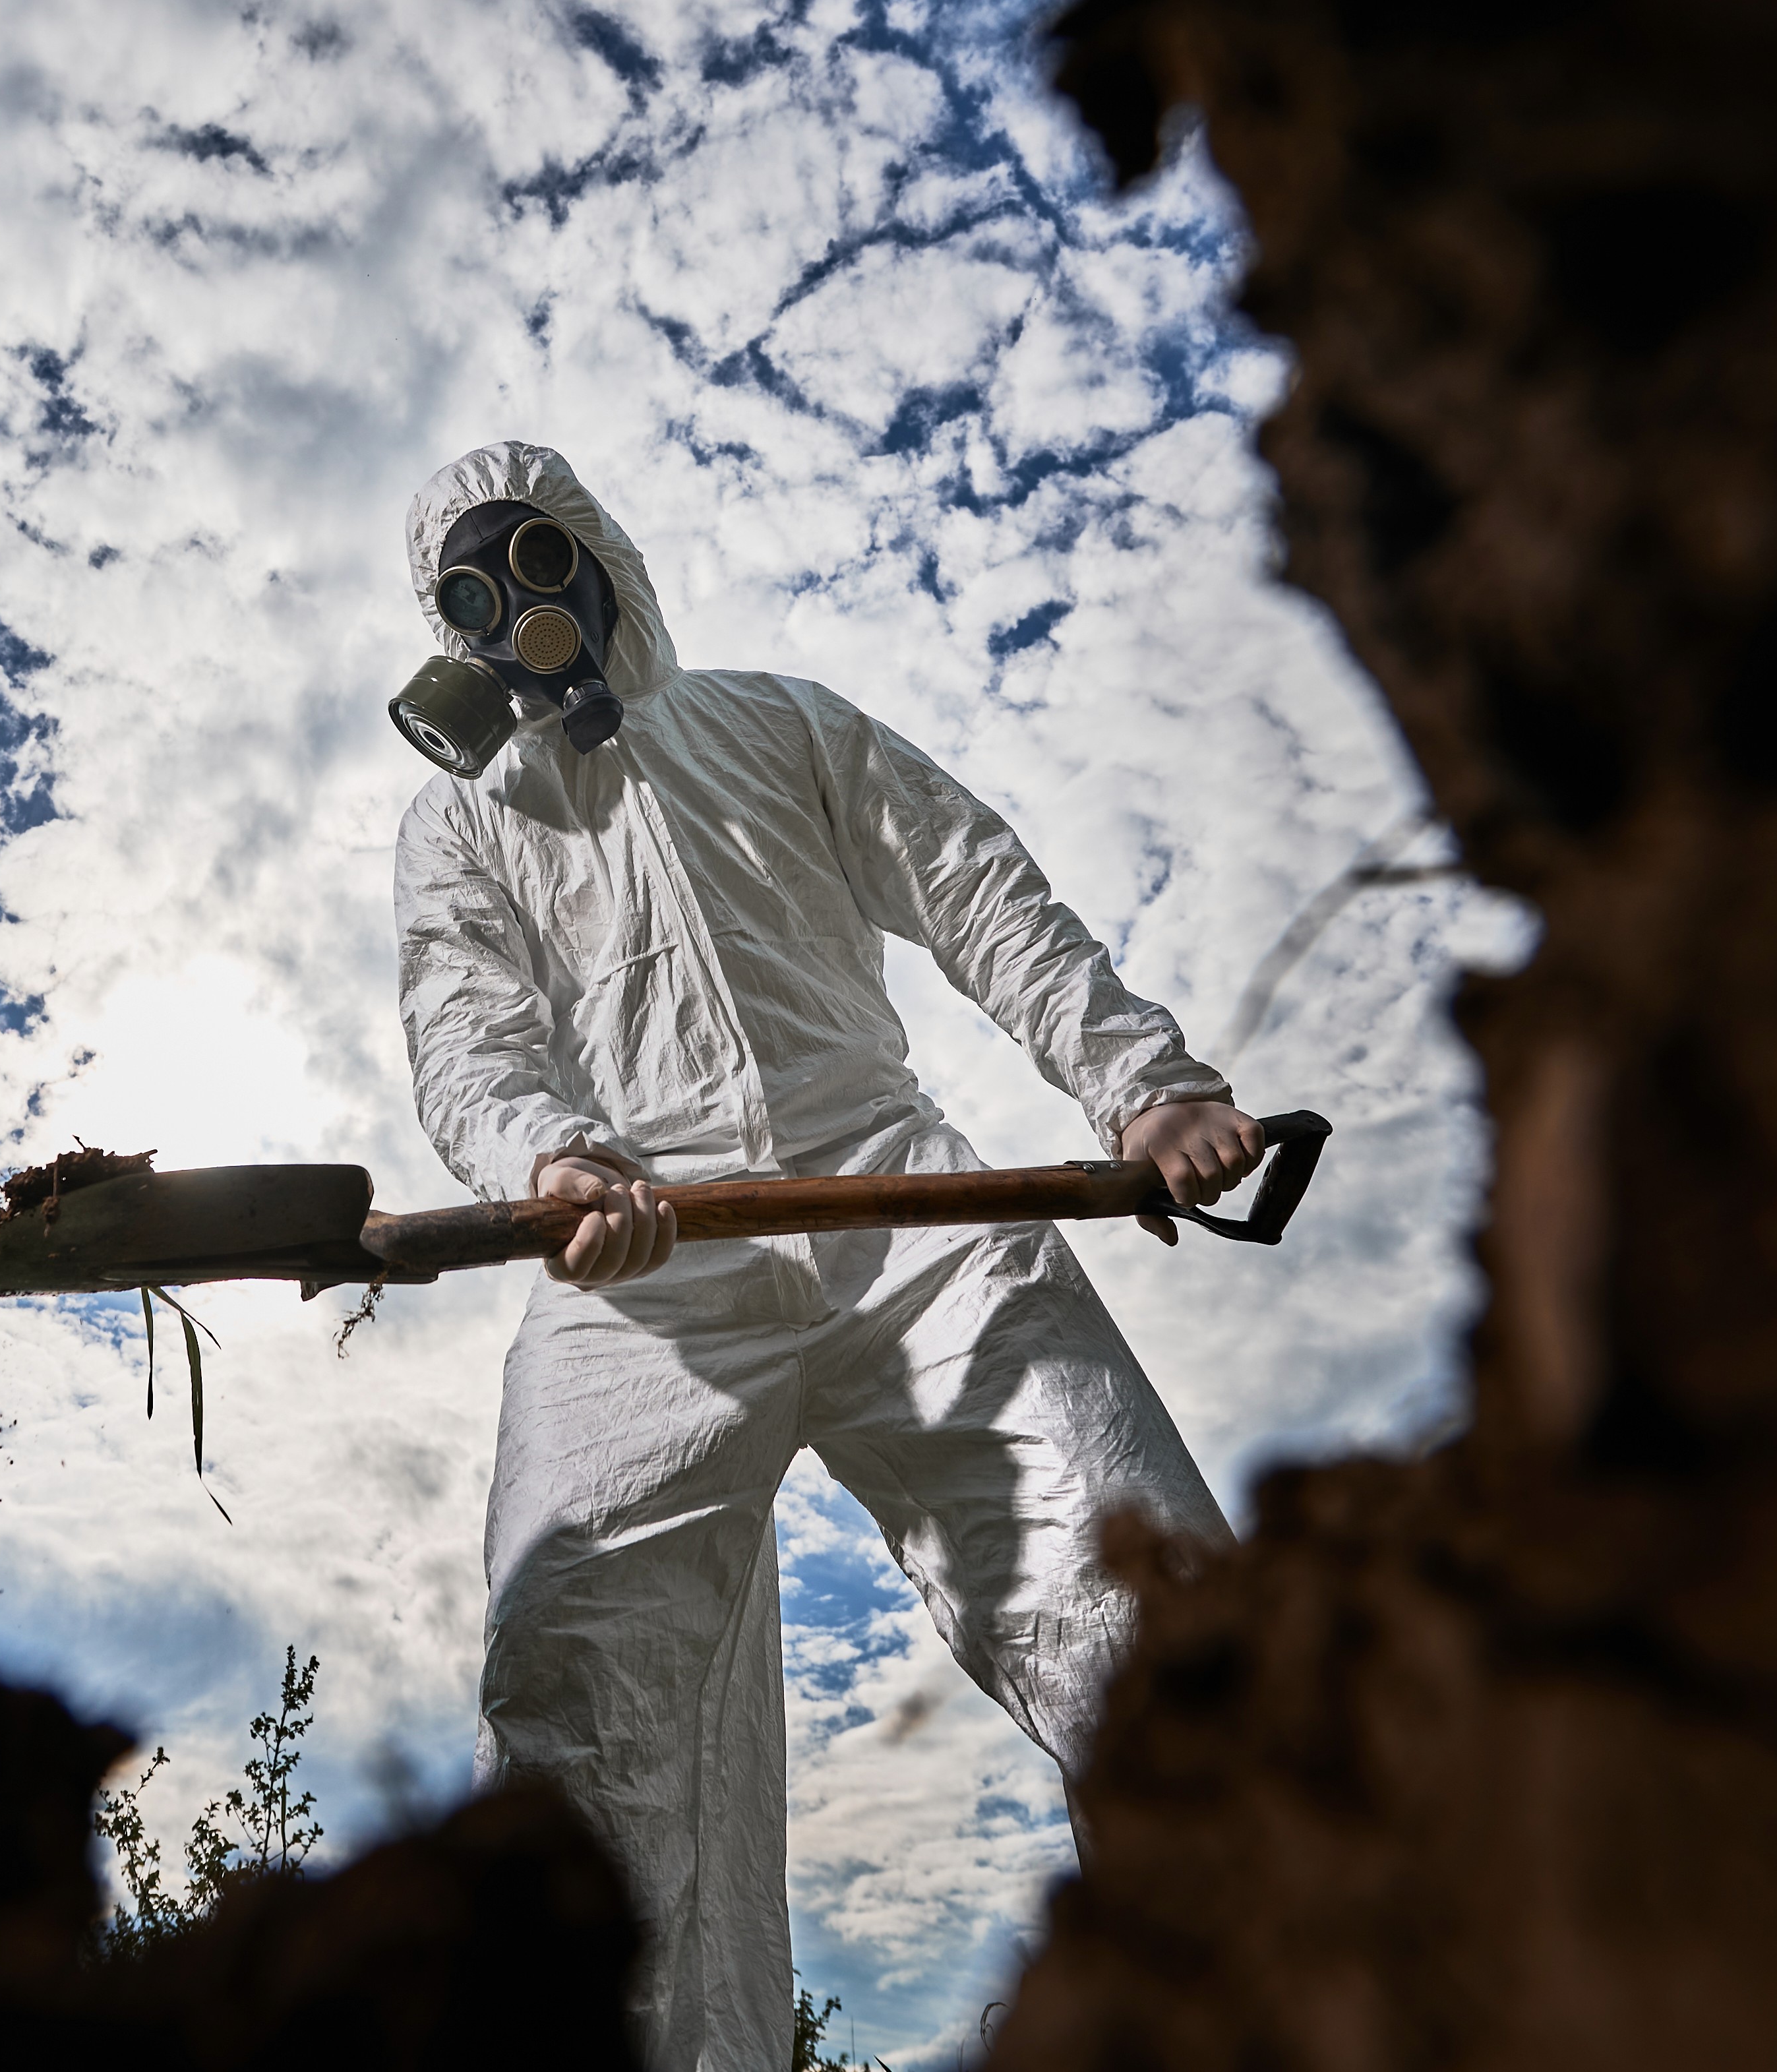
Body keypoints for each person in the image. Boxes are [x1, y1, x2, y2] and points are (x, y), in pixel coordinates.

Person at [388, 441, 1261, 2071]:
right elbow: (464, 1030)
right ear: (447, 627)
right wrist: (545, 1159)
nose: (517, 603)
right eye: (471, 589)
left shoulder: (769, 720)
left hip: (897, 1207)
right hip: (641, 1268)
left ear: (593, 557)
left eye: (534, 557)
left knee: (1145, 1593)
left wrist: (1142, 1083)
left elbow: (967, 874)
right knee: (576, 1666)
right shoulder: (464, 828)